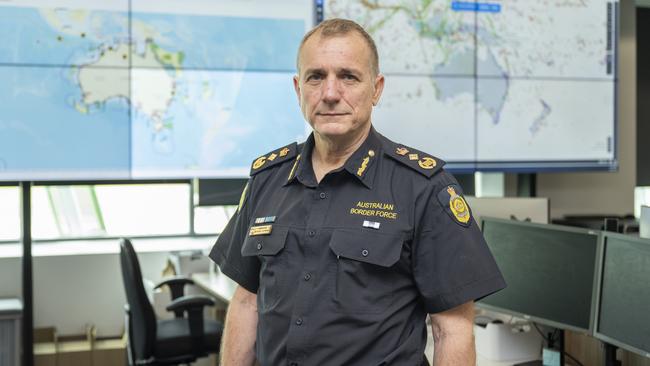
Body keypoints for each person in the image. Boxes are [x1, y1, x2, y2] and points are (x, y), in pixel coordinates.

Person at [209, 18, 506, 366]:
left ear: (376, 88)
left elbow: (452, 330)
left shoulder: (423, 188)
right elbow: (246, 302)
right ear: (297, 88)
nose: (331, 93)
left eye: (348, 76)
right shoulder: (267, 180)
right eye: (315, 76)